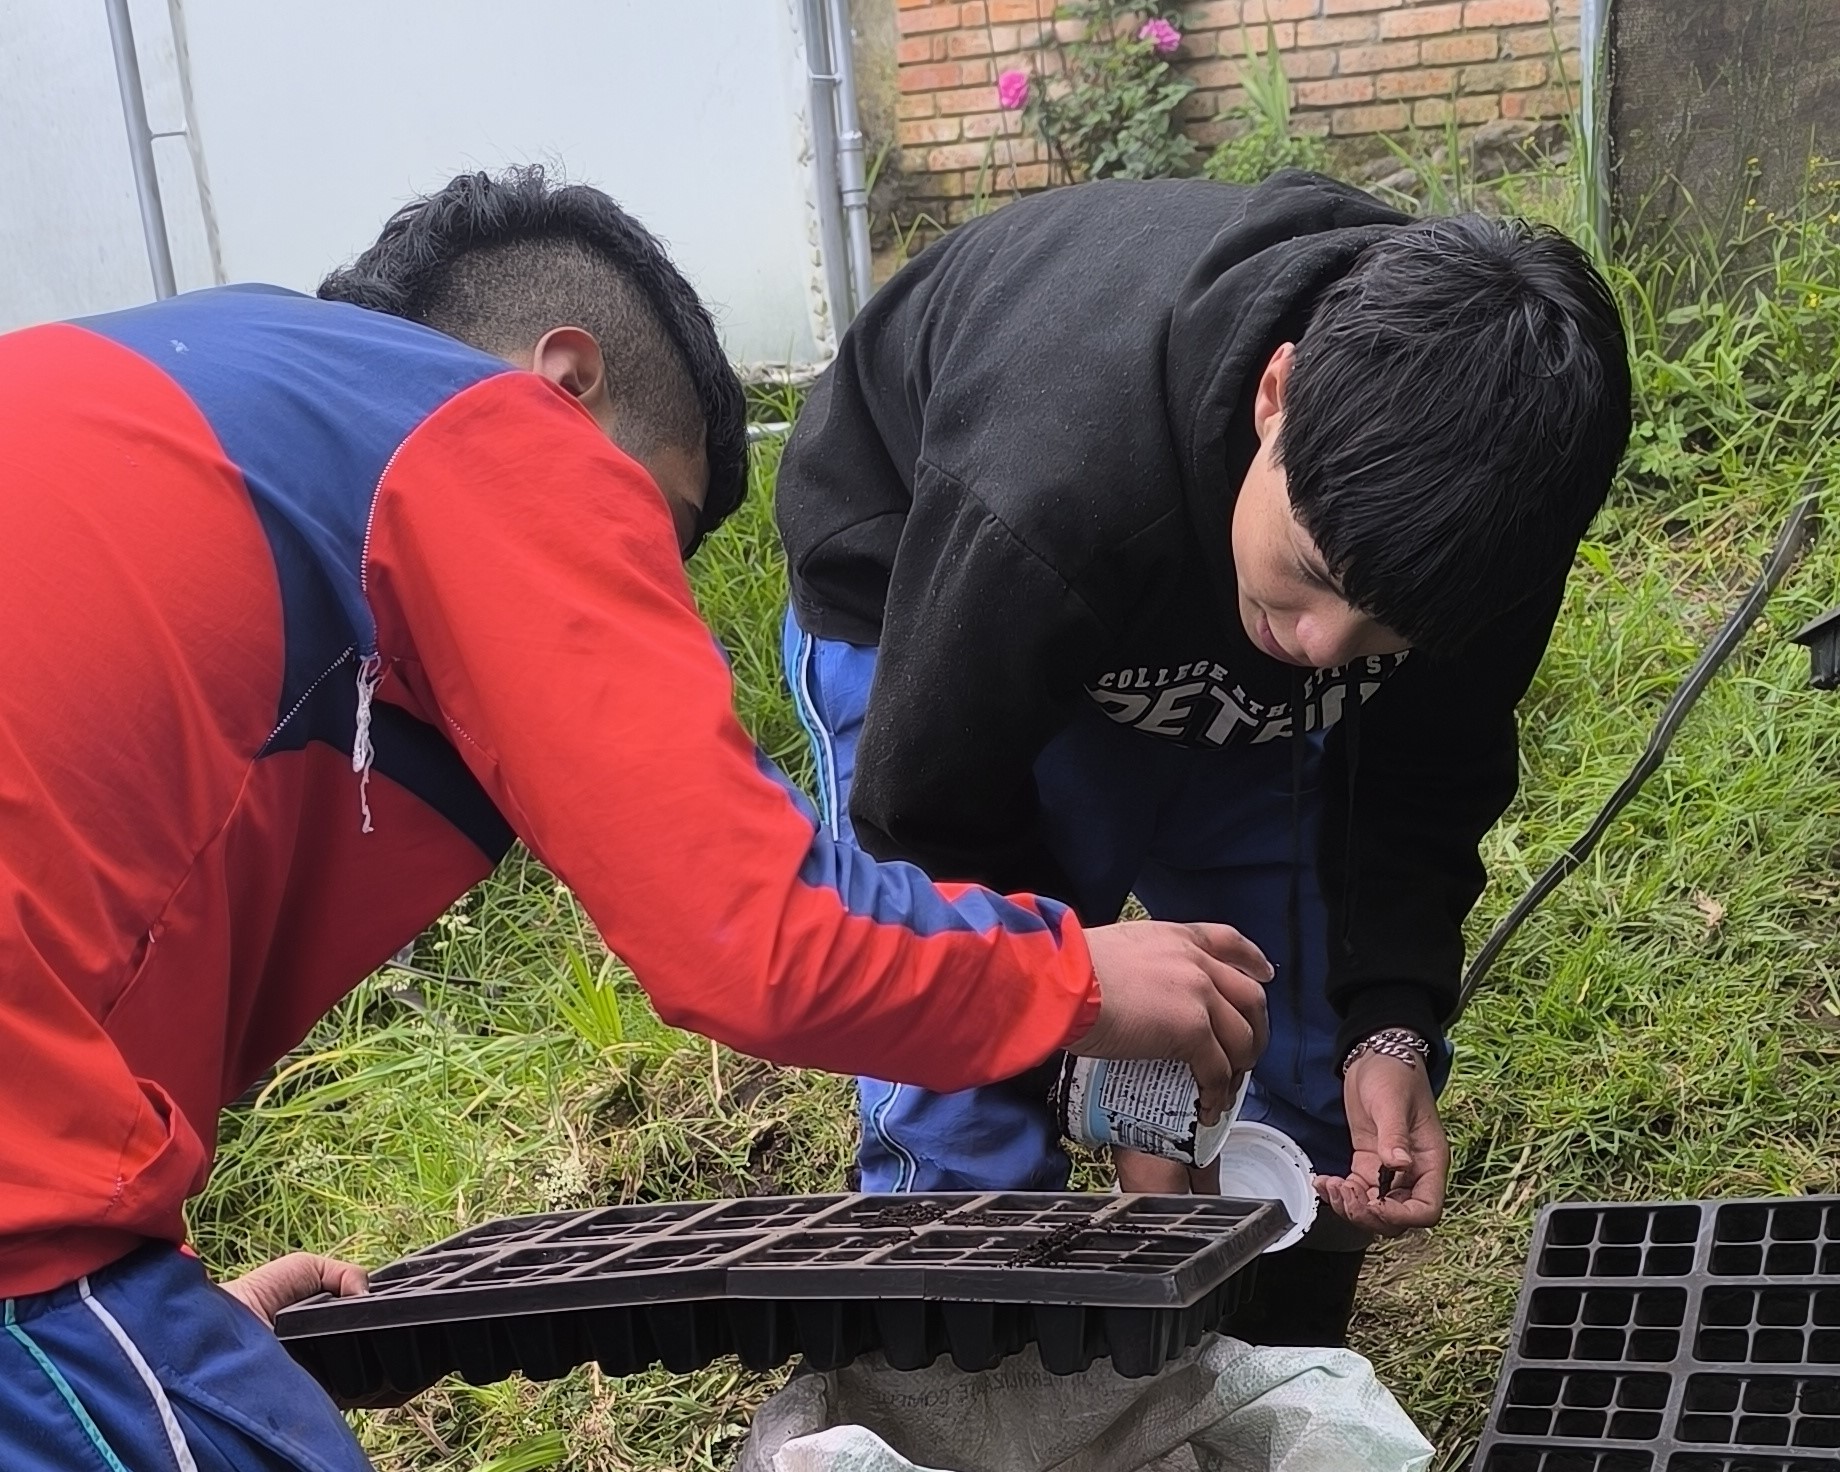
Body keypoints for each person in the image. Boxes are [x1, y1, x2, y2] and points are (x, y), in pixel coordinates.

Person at [0, 166, 1273, 1472]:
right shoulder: (480, 428)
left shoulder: (174, 391)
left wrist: (151, 1319)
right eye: (645, 544)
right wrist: (1079, 974)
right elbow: (748, 931)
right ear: (567, 380)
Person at [774, 169, 1632, 1343]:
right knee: (965, 1086)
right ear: (1275, 395)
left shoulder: (1476, 535)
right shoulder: (1049, 481)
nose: (1325, 647)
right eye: (1320, 575)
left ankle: (1254, 1357)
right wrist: (1077, 994)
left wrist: (1392, 1020)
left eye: (1389, 631)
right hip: (930, 600)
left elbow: (1420, 783)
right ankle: (967, 1368)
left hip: (1157, 576)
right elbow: (929, 816)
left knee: (1312, 1034)